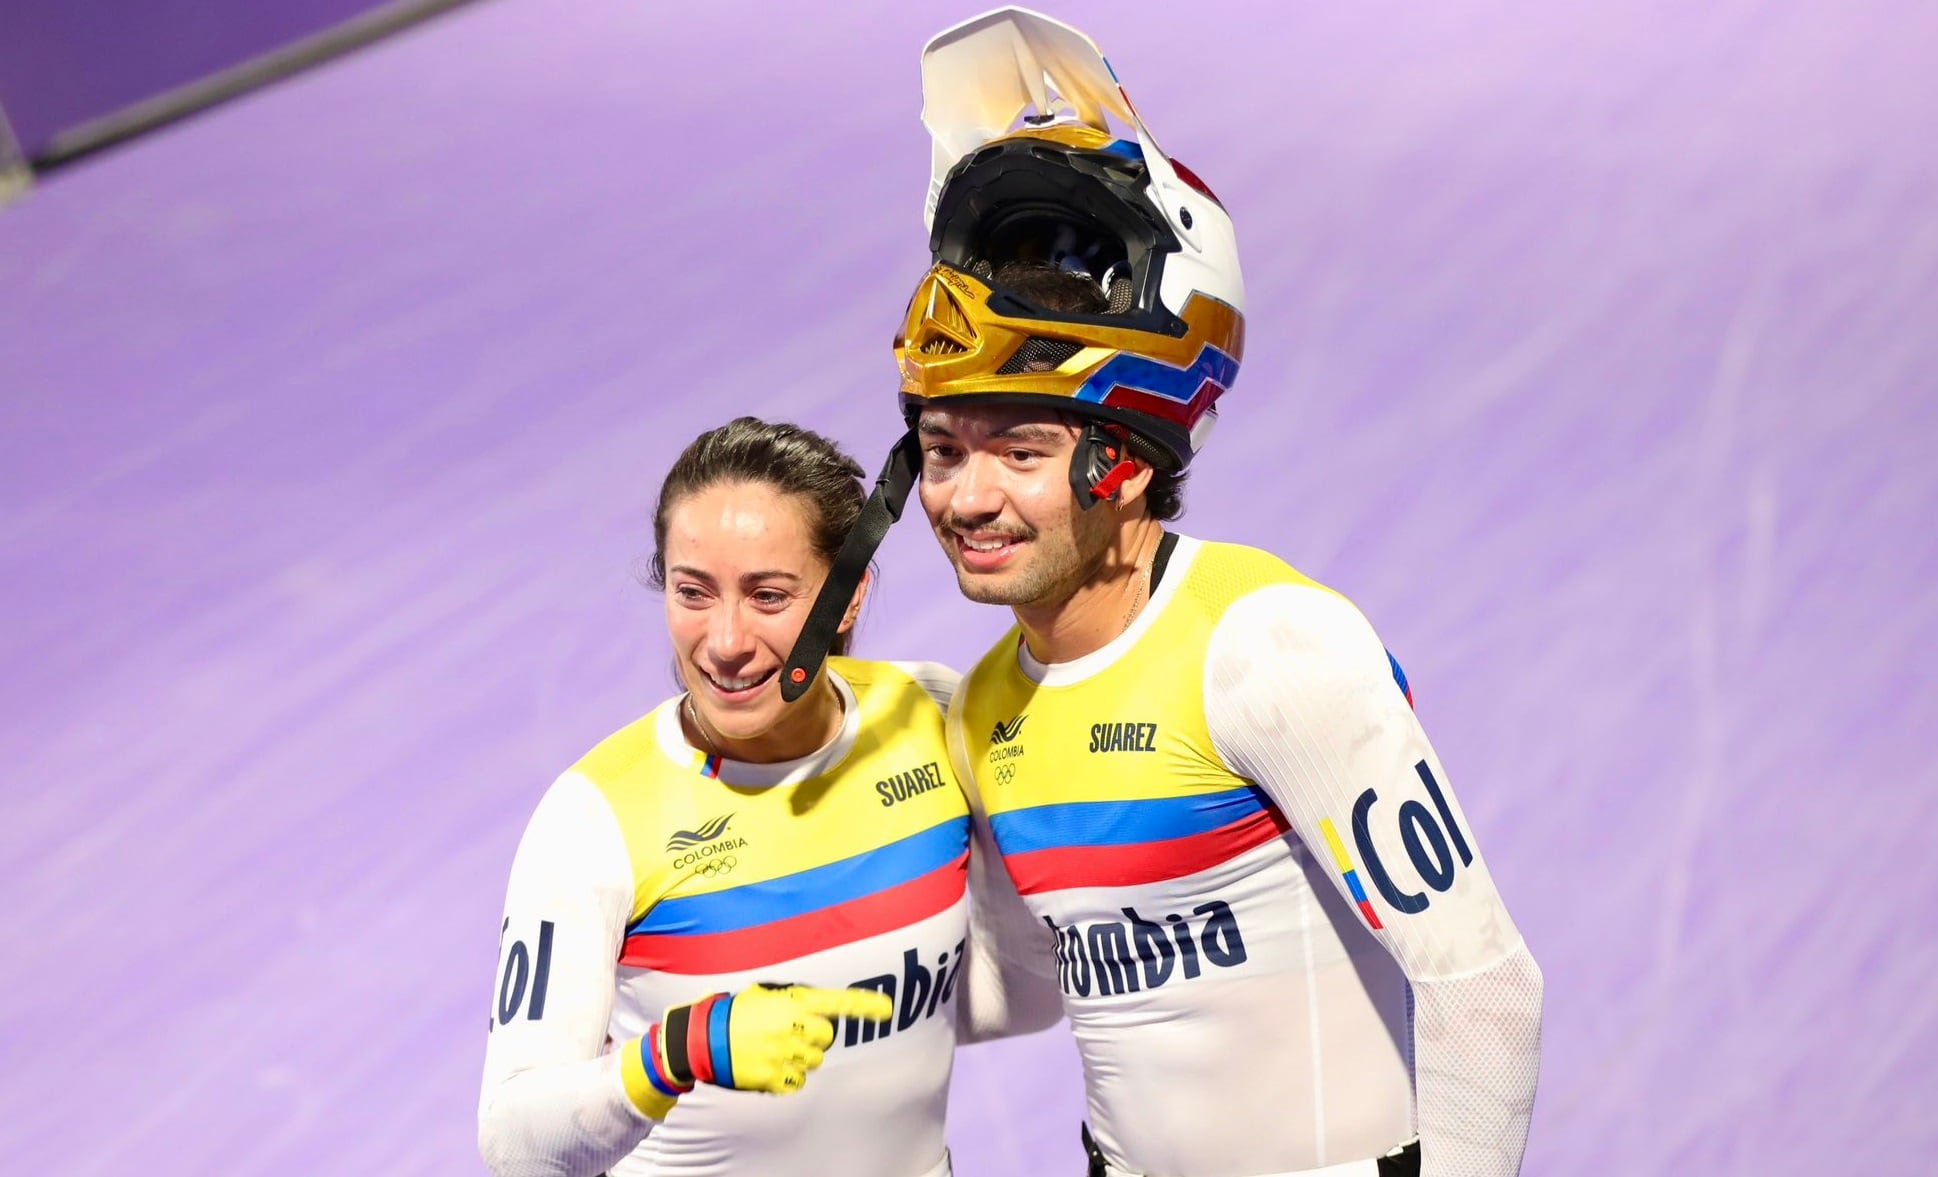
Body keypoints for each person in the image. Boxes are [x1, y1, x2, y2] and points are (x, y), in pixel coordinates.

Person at [789, 10, 1544, 1177]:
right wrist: (748, 983)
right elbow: (1026, 984)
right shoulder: (986, 704)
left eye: (1019, 451)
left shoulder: (1271, 647)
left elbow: (1485, 987)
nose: (966, 496)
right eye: (941, 450)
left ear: (1126, 461)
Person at [478, 417, 1049, 1177]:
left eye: (767, 595)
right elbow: (517, 1144)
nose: (724, 640)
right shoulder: (594, 818)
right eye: (693, 592)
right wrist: (680, 1052)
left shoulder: (935, 717)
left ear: (849, 598)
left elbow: (1018, 993)